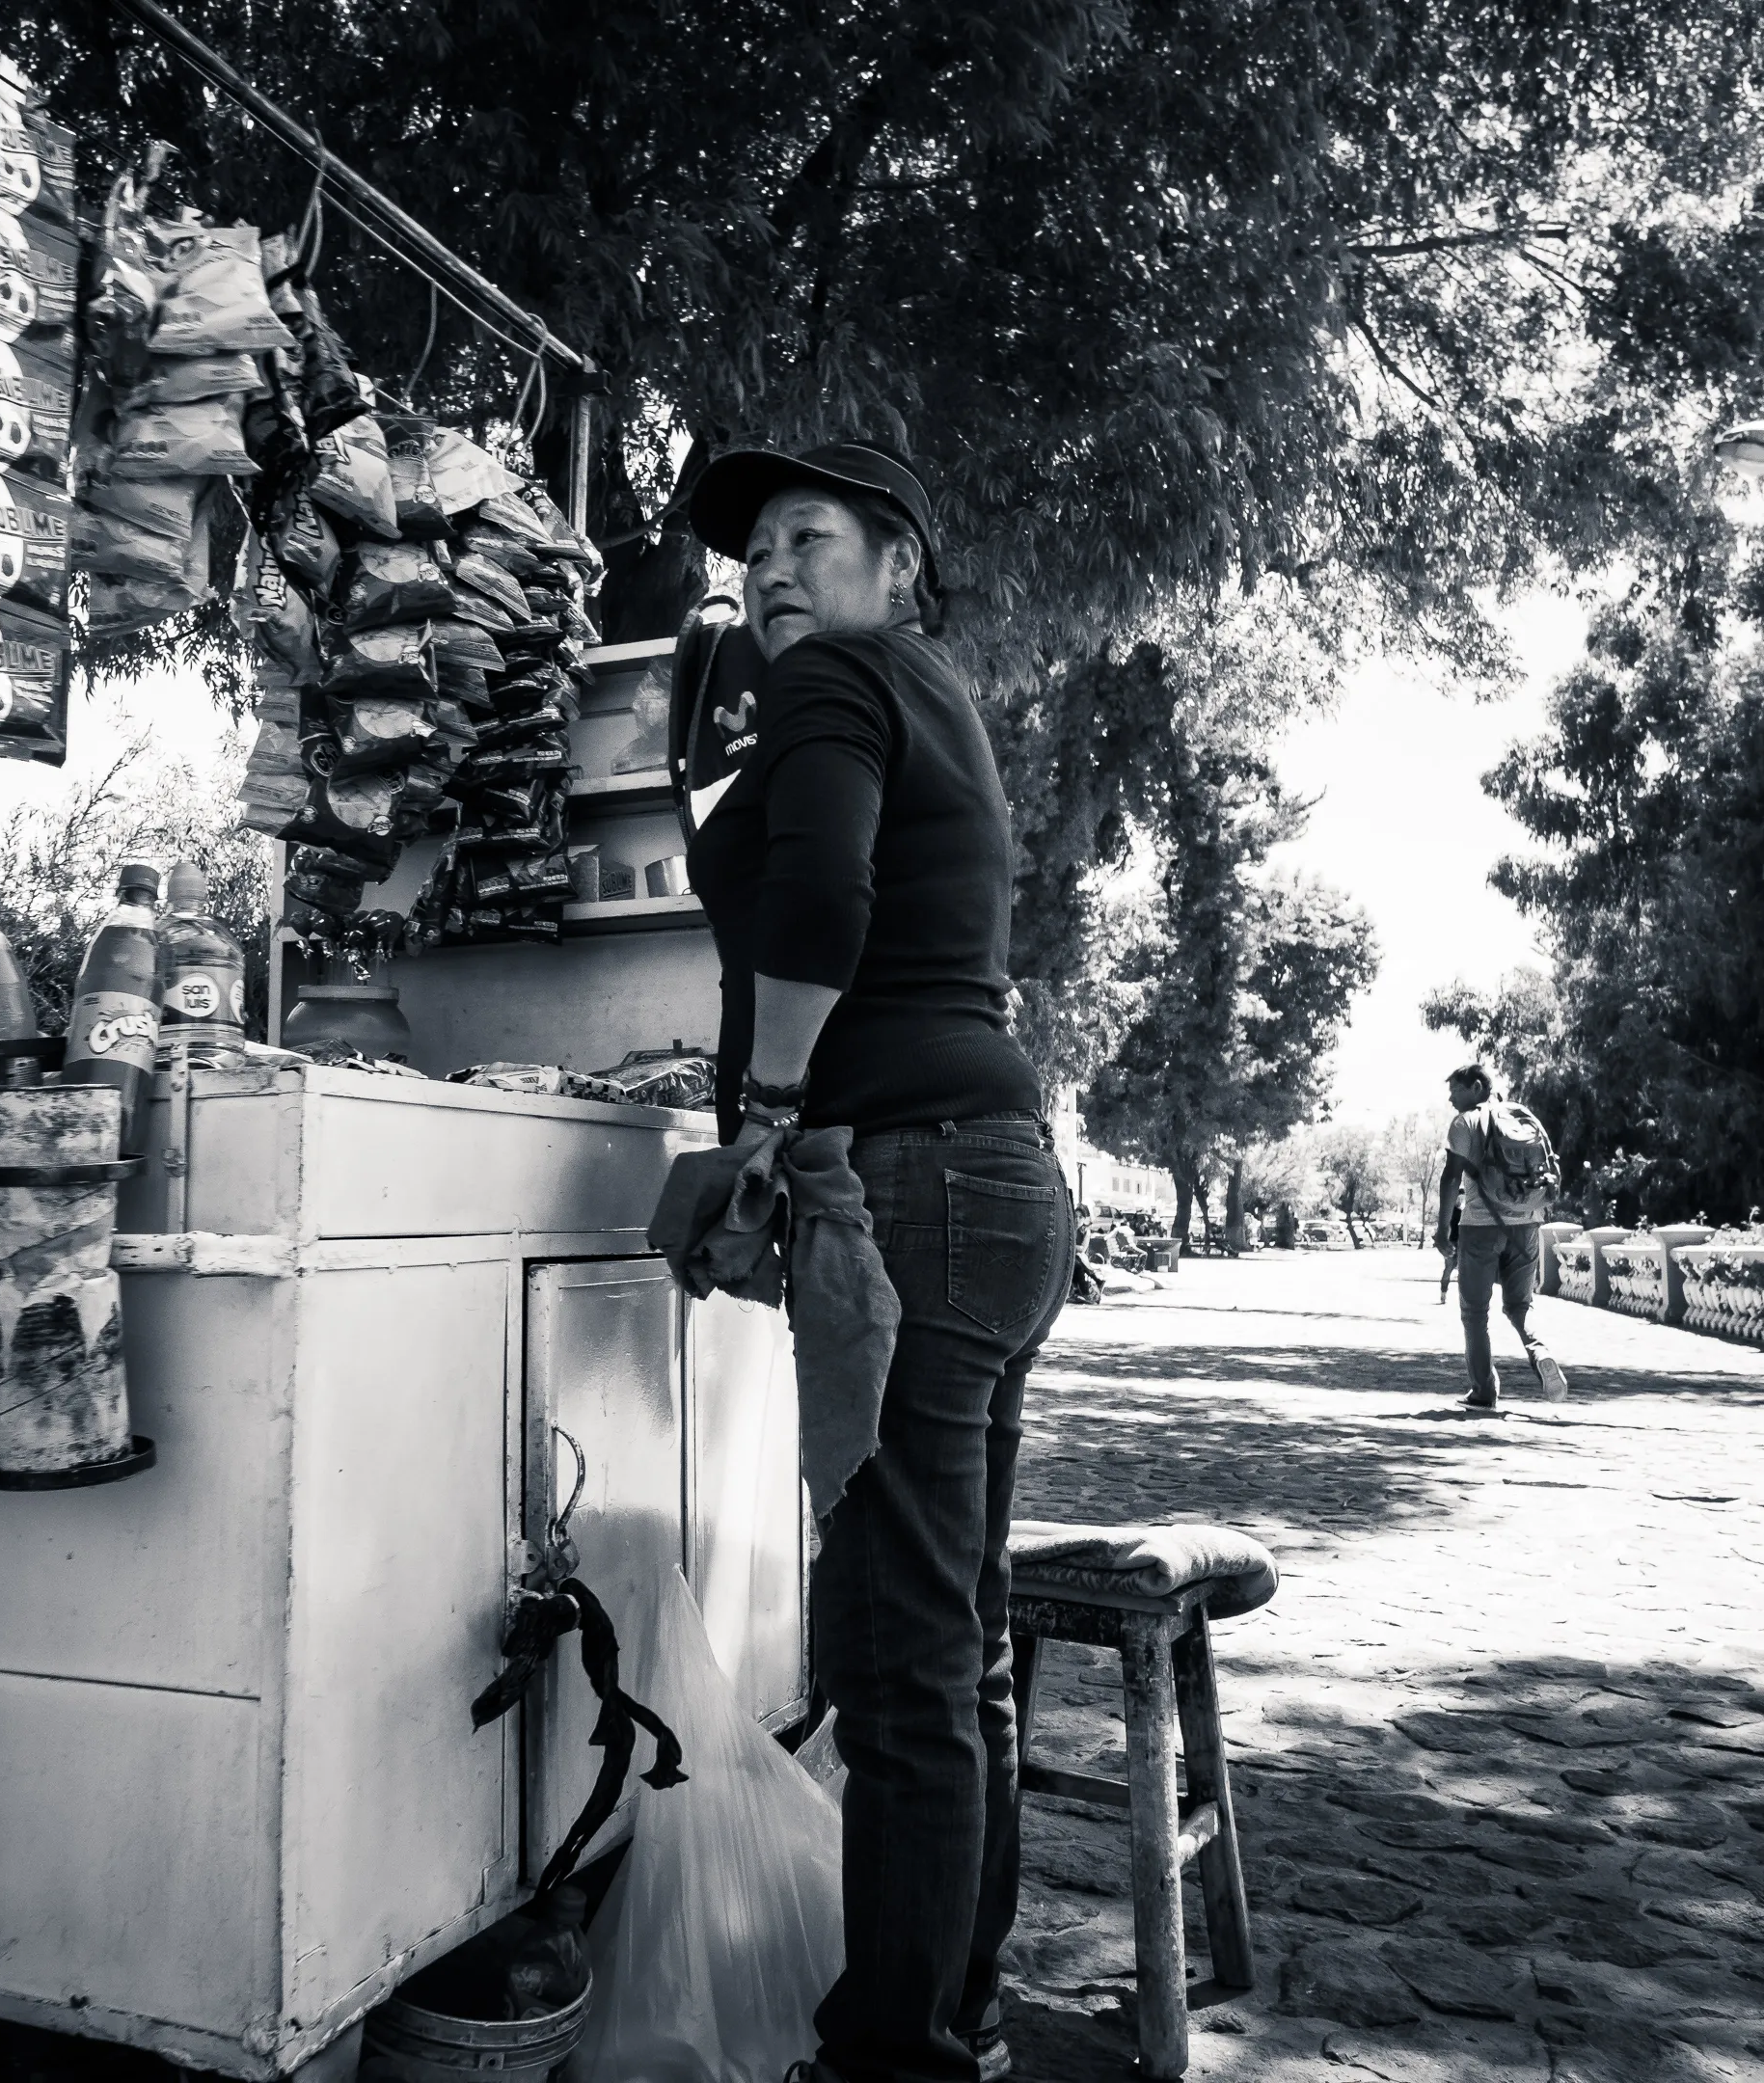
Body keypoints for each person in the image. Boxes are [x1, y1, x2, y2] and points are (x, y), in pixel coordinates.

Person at [676, 440, 1072, 2083]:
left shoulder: (841, 673)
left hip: (907, 1186)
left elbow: (822, 901)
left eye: (809, 534)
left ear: (895, 559)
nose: (771, 567)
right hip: (997, 1183)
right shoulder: (933, 690)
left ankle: (892, 2060)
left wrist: (766, 1114)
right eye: (754, 546)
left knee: (901, 1674)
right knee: (950, 1651)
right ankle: (953, 2019)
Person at [1434, 1062, 1570, 1408]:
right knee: (1520, 1305)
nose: (1451, 1098)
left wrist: (1441, 1229)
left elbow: (1451, 1177)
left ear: (1477, 1087)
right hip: (1527, 1224)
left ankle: (1484, 1391)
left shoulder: (1465, 1123)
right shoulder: (1523, 1118)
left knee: (1475, 1312)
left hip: (1480, 1226)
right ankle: (1540, 1353)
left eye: (1456, 1089)